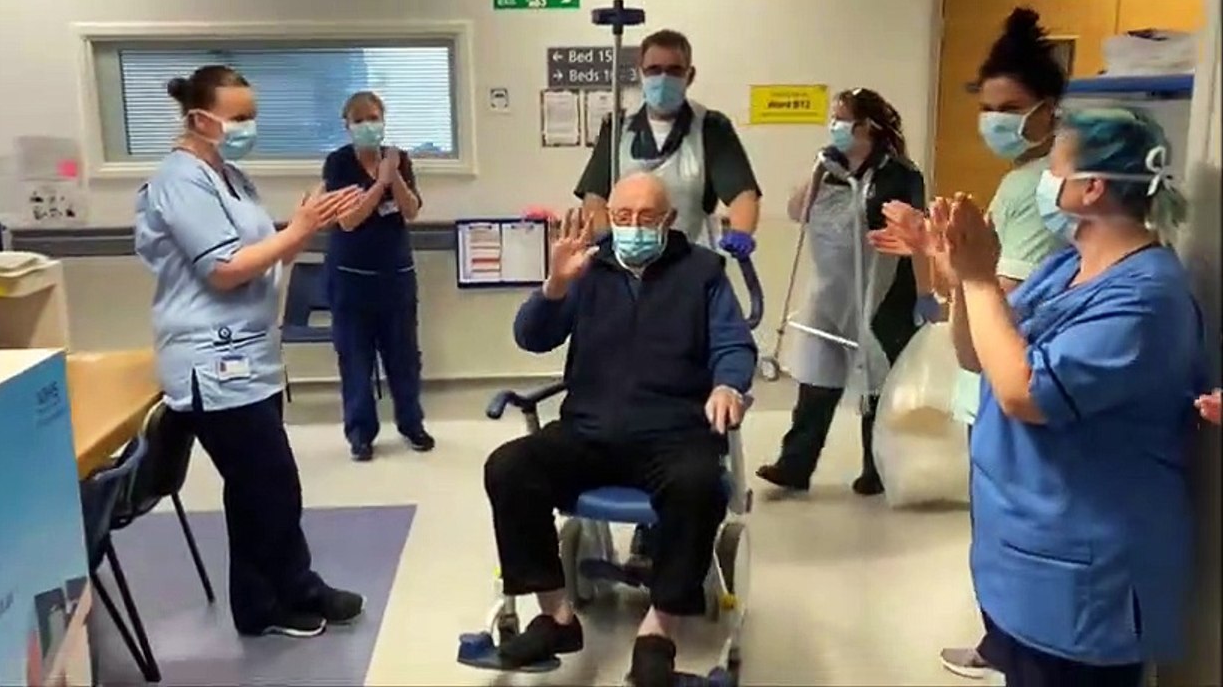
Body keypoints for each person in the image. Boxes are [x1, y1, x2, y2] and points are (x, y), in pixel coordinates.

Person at [911, 105, 1203, 687]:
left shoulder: (1147, 299)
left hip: (1088, 579)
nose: (1045, 179)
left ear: (1092, 187)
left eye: (1055, 167)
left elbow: (1024, 394)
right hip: (1027, 556)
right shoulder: (1067, 265)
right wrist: (958, 272)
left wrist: (975, 277)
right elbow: (981, 358)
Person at [482, 173, 757, 686]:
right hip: (589, 430)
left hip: (675, 431)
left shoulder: (703, 272)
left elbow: (733, 345)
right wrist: (554, 286)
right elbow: (531, 338)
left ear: (669, 221)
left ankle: (658, 632)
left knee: (698, 487)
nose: (632, 228)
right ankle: (557, 616)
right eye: (623, 217)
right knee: (509, 466)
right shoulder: (586, 266)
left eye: (646, 219)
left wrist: (728, 386)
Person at [869, 7, 1070, 677]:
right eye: (987, 109)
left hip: (1009, 362)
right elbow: (970, 288)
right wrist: (935, 252)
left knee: (1007, 527)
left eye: (1009, 108)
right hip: (994, 360)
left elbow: (999, 294)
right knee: (996, 524)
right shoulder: (1020, 183)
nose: (996, 123)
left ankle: (1008, 643)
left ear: (1049, 110)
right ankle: (1001, 640)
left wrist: (945, 260)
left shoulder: (1041, 191)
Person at [135, 65, 367, 638]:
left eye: (252, 115)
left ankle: (272, 596)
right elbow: (225, 270)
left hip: (252, 358)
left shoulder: (232, 178)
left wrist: (303, 229)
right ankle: (282, 595)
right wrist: (300, 229)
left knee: (255, 488)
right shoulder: (178, 181)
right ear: (199, 119)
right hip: (209, 362)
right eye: (238, 117)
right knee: (271, 483)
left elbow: (267, 254)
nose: (248, 126)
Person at [754, 88, 928, 496]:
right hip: (829, 290)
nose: (834, 126)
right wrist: (815, 169)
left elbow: (916, 234)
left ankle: (877, 470)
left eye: (841, 118)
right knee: (816, 381)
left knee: (876, 387)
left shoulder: (899, 174)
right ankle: (794, 465)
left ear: (865, 126)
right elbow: (798, 211)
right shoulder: (827, 169)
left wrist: (926, 292)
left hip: (879, 293)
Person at [573, 29, 763, 258]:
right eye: (654, 70)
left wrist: (741, 232)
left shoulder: (711, 127)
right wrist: (605, 244)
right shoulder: (617, 127)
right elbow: (595, 199)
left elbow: (742, 194)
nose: (663, 79)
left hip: (691, 261)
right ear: (641, 73)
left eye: (674, 71)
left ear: (689, 75)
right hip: (626, 262)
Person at [322, 90, 434, 461]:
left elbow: (412, 210)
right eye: (360, 120)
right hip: (351, 280)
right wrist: (379, 185)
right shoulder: (338, 164)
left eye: (374, 117)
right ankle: (360, 433)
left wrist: (394, 177)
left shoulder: (398, 159)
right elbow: (348, 220)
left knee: (404, 357)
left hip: (396, 277)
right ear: (348, 125)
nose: (369, 125)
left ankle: (411, 424)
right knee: (355, 358)